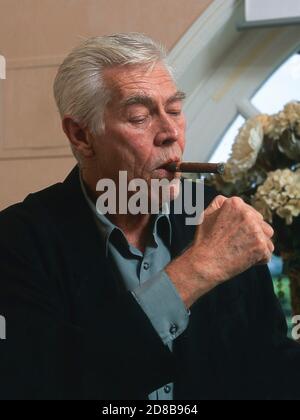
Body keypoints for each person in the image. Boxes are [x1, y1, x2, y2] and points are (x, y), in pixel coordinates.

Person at [0, 33, 299, 400]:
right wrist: (199, 268)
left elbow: (268, 364)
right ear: (81, 135)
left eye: (174, 110)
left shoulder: (218, 213)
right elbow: (49, 381)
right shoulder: (19, 240)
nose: (171, 133)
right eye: (140, 117)